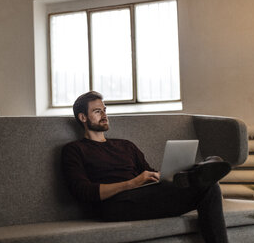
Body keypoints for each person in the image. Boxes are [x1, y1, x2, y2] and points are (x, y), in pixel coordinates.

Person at [62, 91, 231, 243]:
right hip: (114, 205)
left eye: (105, 110)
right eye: (97, 111)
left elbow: (147, 172)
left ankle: (197, 170)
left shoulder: (125, 145)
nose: (104, 115)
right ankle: (200, 169)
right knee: (203, 181)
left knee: (209, 186)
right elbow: (82, 191)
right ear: (83, 117)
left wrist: (158, 175)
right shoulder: (74, 149)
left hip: (141, 196)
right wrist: (132, 183)